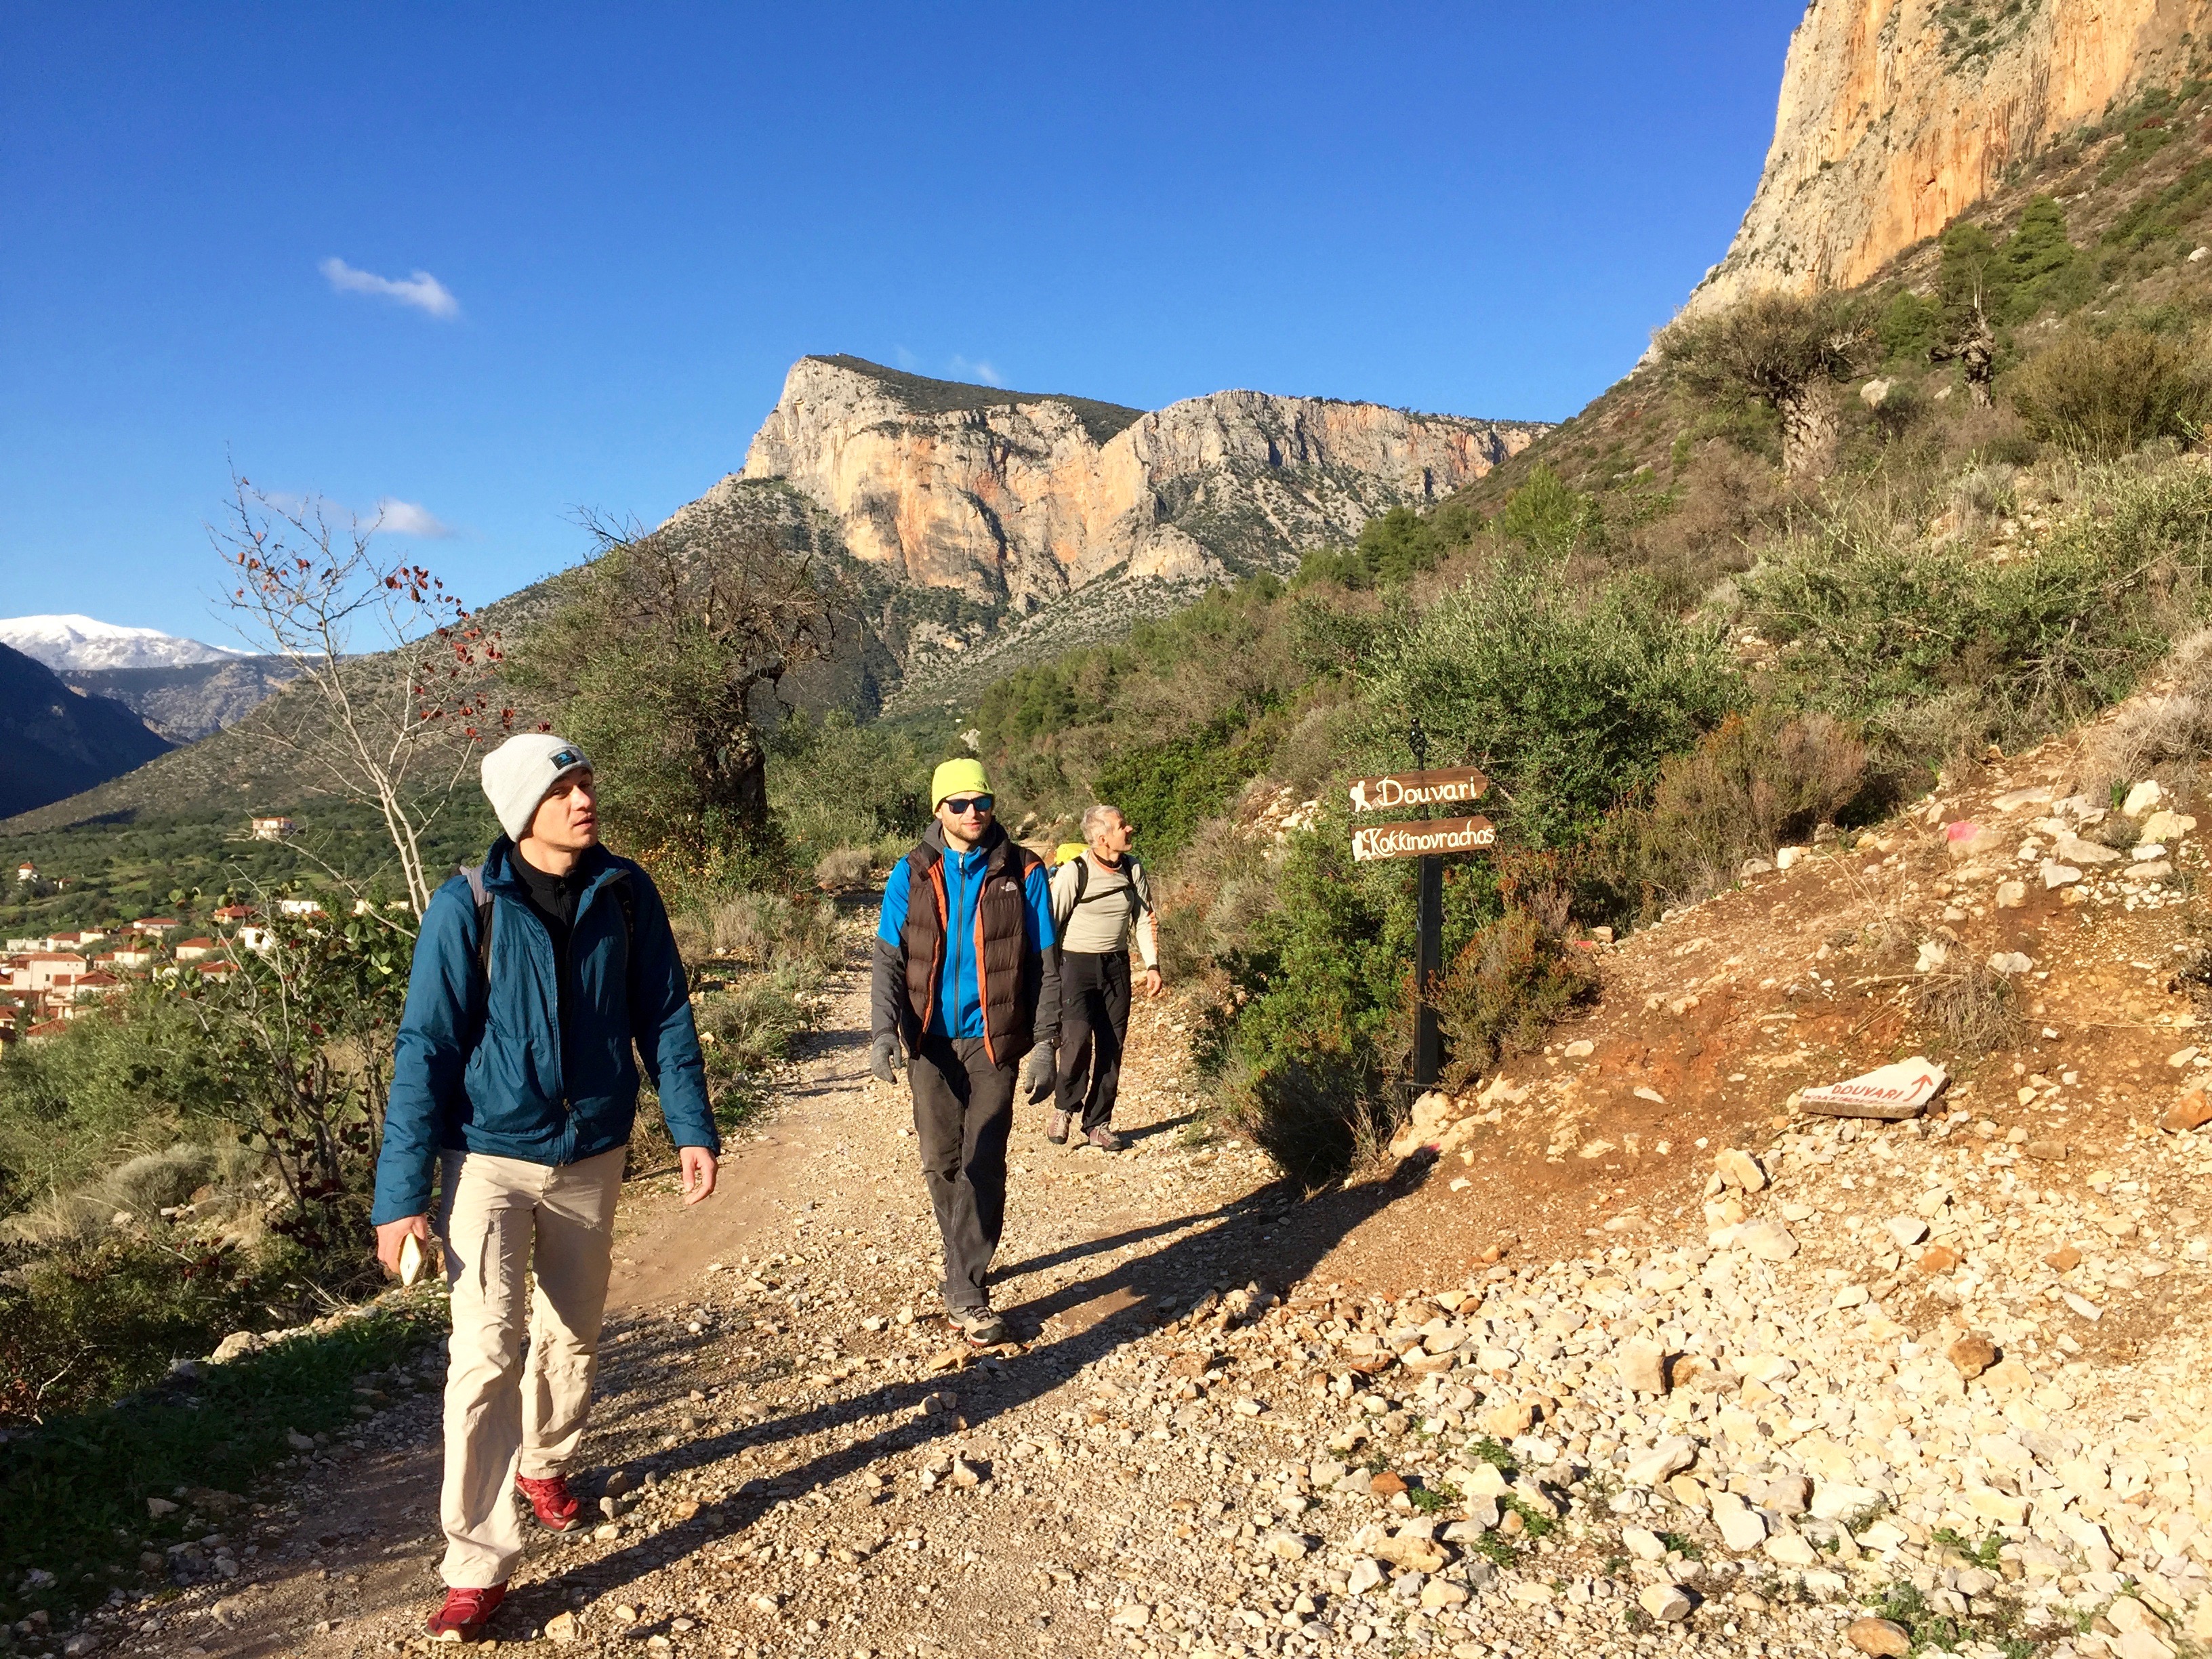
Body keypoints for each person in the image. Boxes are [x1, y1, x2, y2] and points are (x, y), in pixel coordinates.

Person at [369, 733, 720, 1645]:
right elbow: (426, 1051)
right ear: (523, 807)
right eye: (564, 786)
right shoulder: (468, 906)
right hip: (488, 1159)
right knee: (486, 1355)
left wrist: (691, 1126)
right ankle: (476, 1564)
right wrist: (399, 1193)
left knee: (574, 1336)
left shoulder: (627, 894)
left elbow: (667, 1013)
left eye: (587, 781)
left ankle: (545, 1464)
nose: (584, 798)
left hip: (593, 1155)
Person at [869, 759, 1059, 1347]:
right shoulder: (912, 872)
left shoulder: (1023, 869)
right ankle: (964, 1260)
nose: (973, 812)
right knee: (940, 1162)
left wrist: (1048, 1042)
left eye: (983, 801)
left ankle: (967, 1290)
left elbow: (1047, 964)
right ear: (938, 811)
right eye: (959, 803)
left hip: (994, 1039)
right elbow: (889, 960)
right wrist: (882, 1033)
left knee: (982, 1159)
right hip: (929, 1040)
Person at [1045, 803, 1161, 1151]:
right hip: (1076, 967)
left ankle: (1098, 1123)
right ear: (1101, 837)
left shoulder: (1133, 868)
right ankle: (1065, 1108)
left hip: (1116, 967)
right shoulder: (1074, 873)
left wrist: (1152, 964)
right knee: (1077, 1042)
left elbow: (1144, 919)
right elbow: (1048, 923)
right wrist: (1046, 975)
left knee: (1113, 1047)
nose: (1129, 829)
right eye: (1121, 825)